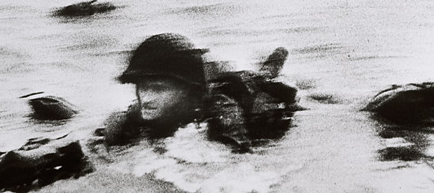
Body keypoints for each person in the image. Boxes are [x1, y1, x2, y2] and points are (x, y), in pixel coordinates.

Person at [94, 33, 299, 153]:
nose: (145, 98)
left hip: (254, 104)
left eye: (158, 88)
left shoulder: (223, 110)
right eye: (142, 86)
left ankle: (274, 62)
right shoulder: (139, 111)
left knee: (263, 81)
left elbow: (238, 161)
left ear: (188, 89)